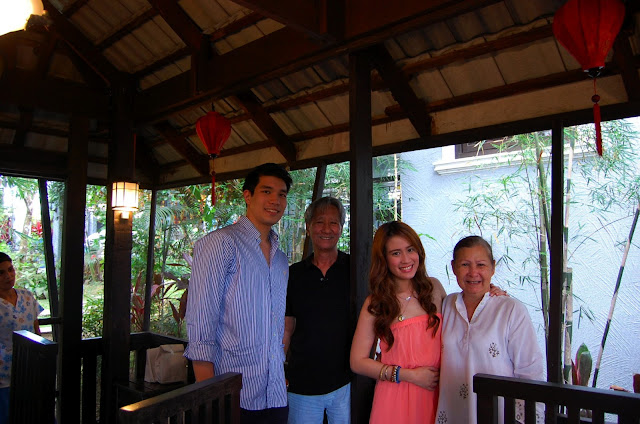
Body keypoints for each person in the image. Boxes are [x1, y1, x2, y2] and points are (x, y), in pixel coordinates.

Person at [184, 162, 293, 424]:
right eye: (266, 191)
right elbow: (201, 327)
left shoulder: (280, 258)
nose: (275, 200)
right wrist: (210, 398)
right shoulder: (221, 243)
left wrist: (278, 371)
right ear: (248, 196)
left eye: (281, 194)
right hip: (232, 395)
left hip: (274, 395)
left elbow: (275, 327)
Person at [436, 235, 544, 424]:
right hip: (453, 412)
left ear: (493, 267)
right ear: (453, 267)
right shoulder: (446, 305)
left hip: (499, 414)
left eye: (481, 265)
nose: (473, 273)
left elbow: (530, 371)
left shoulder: (511, 309)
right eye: (465, 265)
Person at [350, 221, 446, 424]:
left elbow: (463, 316)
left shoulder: (434, 288)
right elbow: (357, 361)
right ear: (384, 259)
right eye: (396, 253)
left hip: (437, 395)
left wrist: (490, 293)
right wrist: (408, 375)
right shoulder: (377, 303)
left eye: (410, 249)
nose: (406, 259)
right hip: (396, 397)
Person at [284, 197, 353, 424]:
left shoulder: (355, 269)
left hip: (345, 383)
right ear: (308, 227)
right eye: (319, 222)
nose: (326, 229)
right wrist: (280, 369)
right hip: (302, 385)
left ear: (341, 228)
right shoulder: (294, 275)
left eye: (333, 223)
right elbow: (287, 328)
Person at [0, 252, 43, 424]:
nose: (8, 276)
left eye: (10, 269)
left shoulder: (27, 296)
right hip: (3, 374)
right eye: (1, 272)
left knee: (34, 413)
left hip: (30, 367)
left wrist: (40, 357)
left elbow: (36, 330)